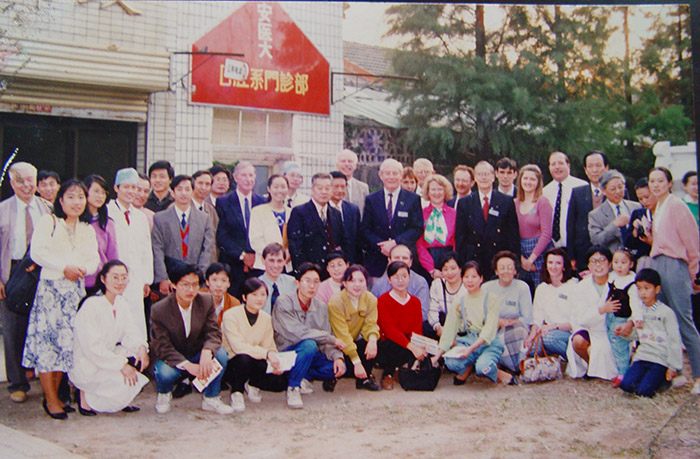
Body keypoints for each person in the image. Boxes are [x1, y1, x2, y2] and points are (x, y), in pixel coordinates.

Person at [22, 179, 99, 419]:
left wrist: (83, 269)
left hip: (74, 293)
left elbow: (94, 259)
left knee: (66, 345)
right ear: (61, 200)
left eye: (81, 197)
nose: (77, 202)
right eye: (71, 197)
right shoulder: (49, 222)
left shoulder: (86, 228)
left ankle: (55, 396)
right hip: (51, 291)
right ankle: (50, 399)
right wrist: (64, 267)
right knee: (48, 345)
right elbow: (37, 252)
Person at [150, 263, 233, 415]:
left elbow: (213, 332)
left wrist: (207, 351)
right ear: (174, 285)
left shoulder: (206, 300)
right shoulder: (160, 309)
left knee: (220, 355)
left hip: (197, 354)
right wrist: (187, 365)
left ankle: (211, 397)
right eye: (185, 285)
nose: (190, 290)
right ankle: (164, 393)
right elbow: (161, 345)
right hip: (172, 359)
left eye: (195, 285)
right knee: (164, 373)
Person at [0, 162, 52, 403]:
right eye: (20, 180)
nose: (26, 185)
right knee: (13, 329)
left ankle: (44, 378)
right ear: (12, 183)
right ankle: (17, 384)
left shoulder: (47, 208)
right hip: (11, 271)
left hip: (41, 271)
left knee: (42, 325)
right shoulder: (2, 209)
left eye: (30, 179)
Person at [69, 260, 149, 414]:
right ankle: (84, 395)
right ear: (103, 279)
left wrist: (141, 347)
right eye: (115, 277)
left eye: (124, 277)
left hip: (107, 357)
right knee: (127, 379)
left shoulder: (121, 303)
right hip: (89, 361)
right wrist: (121, 365)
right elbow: (92, 348)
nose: (120, 282)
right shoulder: (91, 305)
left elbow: (130, 331)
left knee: (134, 363)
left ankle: (113, 394)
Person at [647, 167, 700, 395]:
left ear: (669, 183)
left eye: (660, 181)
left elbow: (692, 243)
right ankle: (676, 373)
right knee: (664, 321)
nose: (656, 185)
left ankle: (698, 375)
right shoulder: (657, 206)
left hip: (675, 265)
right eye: (652, 181)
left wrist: (695, 274)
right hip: (658, 263)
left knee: (684, 320)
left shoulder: (677, 205)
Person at [271, 263, 346, 409]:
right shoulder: (283, 302)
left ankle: (302, 376)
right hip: (286, 353)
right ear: (297, 283)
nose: (312, 286)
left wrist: (338, 357)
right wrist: (331, 339)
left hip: (309, 356)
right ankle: (293, 387)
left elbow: (326, 334)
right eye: (307, 281)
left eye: (316, 282)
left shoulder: (321, 306)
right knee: (309, 344)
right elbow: (298, 333)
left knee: (336, 366)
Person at [431, 261, 516, 385]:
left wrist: (470, 350)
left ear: (481, 278)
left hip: (488, 342)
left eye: (474, 276)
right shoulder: (459, 302)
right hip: (469, 341)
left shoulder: (491, 299)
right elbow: (449, 330)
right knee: (450, 362)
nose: (470, 280)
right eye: (466, 277)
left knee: (483, 367)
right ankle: (470, 365)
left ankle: (497, 373)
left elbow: (489, 330)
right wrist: (437, 356)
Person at [221, 278, 287, 412]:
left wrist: (276, 361)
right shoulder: (231, 315)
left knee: (281, 382)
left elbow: (269, 346)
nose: (259, 298)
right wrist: (266, 354)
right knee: (243, 359)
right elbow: (238, 347)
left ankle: (251, 384)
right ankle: (237, 392)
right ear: (244, 297)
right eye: (254, 294)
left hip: (255, 360)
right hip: (232, 362)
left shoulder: (266, 318)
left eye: (263, 294)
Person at [616, 269, 683, 398]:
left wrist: (673, 366)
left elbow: (674, 340)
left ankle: (663, 380)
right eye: (639, 288)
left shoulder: (666, 313)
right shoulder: (638, 312)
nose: (643, 292)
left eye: (647, 288)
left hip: (660, 359)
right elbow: (638, 335)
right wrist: (623, 333)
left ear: (657, 289)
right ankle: (648, 379)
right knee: (626, 385)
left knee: (644, 392)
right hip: (643, 357)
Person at [107, 168, 153, 343]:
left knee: (135, 323)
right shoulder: (107, 212)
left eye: (134, 187)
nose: (131, 191)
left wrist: (146, 280)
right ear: (116, 188)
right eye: (126, 187)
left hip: (135, 280)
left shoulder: (140, 217)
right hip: (113, 278)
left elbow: (146, 250)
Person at [455, 160, 520, 281]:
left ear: (493, 177)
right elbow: (460, 237)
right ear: (475, 178)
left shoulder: (506, 201)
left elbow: (513, 236)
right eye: (480, 174)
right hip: (474, 260)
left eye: (486, 174)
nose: (483, 177)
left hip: (498, 260)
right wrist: (462, 263)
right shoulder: (465, 203)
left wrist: (515, 264)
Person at [152, 175, 215, 297]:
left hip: (195, 278)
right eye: (179, 189)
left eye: (187, 189)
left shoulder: (204, 218)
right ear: (172, 192)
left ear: (192, 191)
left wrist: (199, 275)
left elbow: (207, 249)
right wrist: (162, 278)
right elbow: (157, 249)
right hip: (170, 278)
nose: (184, 193)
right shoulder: (160, 218)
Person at [361, 158, 423, 278]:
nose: (391, 177)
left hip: (403, 260)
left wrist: (395, 243)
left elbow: (417, 228)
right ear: (381, 175)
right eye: (387, 173)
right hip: (377, 261)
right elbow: (365, 229)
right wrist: (382, 246)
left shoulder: (413, 199)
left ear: (401, 175)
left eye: (395, 173)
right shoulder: (371, 199)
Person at [567, 246, 621, 380]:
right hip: (591, 329)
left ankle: (606, 370)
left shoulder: (619, 282)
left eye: (602, 260)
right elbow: (580, 317)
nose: (598, 265)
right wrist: (601, 310)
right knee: (578, 341)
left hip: (613, 331)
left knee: (606, 349)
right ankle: (592, 367)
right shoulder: (581, 287)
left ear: (610, 263)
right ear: (588, 266)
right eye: (593, 261)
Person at [327, 265, 381, 391]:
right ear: (344, 283)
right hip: (336, 343)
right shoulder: (335, 302)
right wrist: (356, 362)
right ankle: (332, 376)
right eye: (352, 281)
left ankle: (364, 378)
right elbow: (342, 334)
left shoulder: (370, 299)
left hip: (354, 340)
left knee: (373, 341)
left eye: (361, 280)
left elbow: (371, 324)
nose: (357, 285)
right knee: (340, 357)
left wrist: (373, 340)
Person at [216, 161, 265, 297]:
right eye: (244, 175)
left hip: (257, 265)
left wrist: (254, 256)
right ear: (235, 178)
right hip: (234, 265)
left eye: (251, 175)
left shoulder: (262, 202)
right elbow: (222, 237)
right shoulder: (223, 202)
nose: (248, 179)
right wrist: (243, 256)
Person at [375, 261, 426, 390]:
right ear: (389, 280)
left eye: (404, 276)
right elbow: (389, 330)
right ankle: (388, 374)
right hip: (388, 343)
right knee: (394, 343)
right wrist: (413, 347)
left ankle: (401, 369)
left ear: (409, 278)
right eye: (396, 277)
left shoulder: (415, 302)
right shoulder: (382, 301)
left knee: (421, 343)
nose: (400, 280)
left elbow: (417, 330)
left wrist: (419, 346)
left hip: (407, 342)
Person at [482, 251, 534, 373]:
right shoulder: (486, 288)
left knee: (520, 332)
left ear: (515, 271)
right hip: (494, 328)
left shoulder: (522, 287)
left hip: (516, 329)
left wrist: (509, 322)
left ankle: (515, 365)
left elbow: (527, 318)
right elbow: (482, 315)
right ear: (496, 271)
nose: (506, 271)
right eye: (502, 268)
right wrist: (498, 321)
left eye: (510, 268)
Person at [287, 172, 347, 276]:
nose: (323, 192)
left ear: (331, 190)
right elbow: (295, 247)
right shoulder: (299, 212)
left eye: (327, 188)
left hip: (331, 272)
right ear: (312, 190)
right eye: (319, 188)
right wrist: (304, 271)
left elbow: (340, 242)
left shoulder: (336, 213)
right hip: (309, 271)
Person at [530, 248, 578, 358]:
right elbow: (537, 317)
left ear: (564, 266)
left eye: (558, 263)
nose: (554, 267)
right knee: (530, 348)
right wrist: (532, 335)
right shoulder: (542, 288)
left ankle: (570, 357)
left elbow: (576, 321)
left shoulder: (574, 286)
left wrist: (554, 326)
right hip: (546, 331)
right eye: (550, 262)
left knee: (549, 339)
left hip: (568, 333)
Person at [567, 151, 610, 272]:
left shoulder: (617, 191)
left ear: (606, 167)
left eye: (598, 165)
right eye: (590, 166)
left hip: (610, 251)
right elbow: (570, 226)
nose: (594, 170)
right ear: (585, 170)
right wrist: (571, 256)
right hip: (583, 253)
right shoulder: (577, 193)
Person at [607, 248, 642, 385]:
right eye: (616, 262)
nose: (619, 266)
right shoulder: (611, 277)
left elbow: (635, 303)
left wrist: (636, 318)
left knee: (620, 345)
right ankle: (617, 370)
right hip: (610, 316)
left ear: (631, 264)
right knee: (613, 344)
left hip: (622, 318)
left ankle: (624, 373)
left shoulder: (632, 282)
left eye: (623, 262)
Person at [514, 164, 553, 288]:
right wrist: (522, 260)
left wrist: (531, 260)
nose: (528, 182)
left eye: (532, 179)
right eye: (525, 178)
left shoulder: (542, 202)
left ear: (538, 182)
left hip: (539, 252)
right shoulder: (515, 203)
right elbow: (511, 233)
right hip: (521, 252)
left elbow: (546, 234)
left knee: (541, 289)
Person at [371, 244, 430, 322]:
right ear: (389, 260)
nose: (401, 261)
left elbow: (422, 314)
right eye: (397, 258)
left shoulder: (420, 282)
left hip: (412, 326)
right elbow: (372, 312)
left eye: (405, 258)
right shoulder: (380, 284)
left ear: (410, 262)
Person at [541, 151, 587, 250]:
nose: (557, 167)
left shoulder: (582, 187)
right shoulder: (545, 192)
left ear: (568, 165)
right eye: (553, 164)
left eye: (561, 163)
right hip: (552, 247)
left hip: (576, 245)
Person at [588, 170, 641, 253]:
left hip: (636, 254)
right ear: (603, 191)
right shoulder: (595, 214)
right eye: (613, 189)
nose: (618, 191)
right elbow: (596, 241)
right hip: (613, 256)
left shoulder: (636, 207)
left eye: (620, 187)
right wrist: (614, 225)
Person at [83, 175, 119, 296]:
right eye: (96, 191)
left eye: (103, 193)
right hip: (77, 280)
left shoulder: (108, 223)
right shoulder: (75, 220)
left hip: (98, 283)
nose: (100, 196)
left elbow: (112, 254)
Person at [416, 174, 457, 279]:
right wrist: (431, 269)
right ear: (428, 192)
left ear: (445, 191)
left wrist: (450, 266)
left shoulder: (454, 214)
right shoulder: (421, 214)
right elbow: (419, 244)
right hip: (427, 260)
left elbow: (457, 240)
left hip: (450, 258)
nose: (437, 193)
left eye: (440, 189)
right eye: (433, 189)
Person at [249, 174, 292, 272]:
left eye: (283, 187)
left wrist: (289, 253)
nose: (279, 190)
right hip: (264, 265)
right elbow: (255, 240)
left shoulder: (292, 212)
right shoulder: (258, 211)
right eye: (276, 187)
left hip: (286, 265)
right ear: (269, 189)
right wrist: (275, 256)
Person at [424, 252, 466, 340]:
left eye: (453, 268)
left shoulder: (467, 285)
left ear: (460, 269)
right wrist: (437, 327)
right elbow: (432, 310)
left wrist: (451, 332)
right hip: (442, 328)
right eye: (445, 269)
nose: (449, 273)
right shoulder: (437, 284)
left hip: (462, 329)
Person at [329, 171, 362, 264]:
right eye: (336, 187)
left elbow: (358, 240)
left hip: (350, 261)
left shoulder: (353, 209)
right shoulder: (323, 209)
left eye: (343, 187)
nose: (340, 190)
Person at [622, 178, 656, 266]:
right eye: (640, 199)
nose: (644, 201)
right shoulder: (638, 214)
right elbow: (628, 243)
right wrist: (635, 232)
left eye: (647, 197)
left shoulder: (666, 212)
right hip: (644, 259)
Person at [258, 243, 296, 314]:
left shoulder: (292, 283)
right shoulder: (256, 285)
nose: (275, 265)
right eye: (271, 260)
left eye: (279, 261)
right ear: (263, 260)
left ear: (285, 261)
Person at [336, 149, 369, 215]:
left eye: (350, 161)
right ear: (337, 165)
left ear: (355, 166)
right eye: (343, 161)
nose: (346, 164)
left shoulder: (363, 188)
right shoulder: (329, 186)